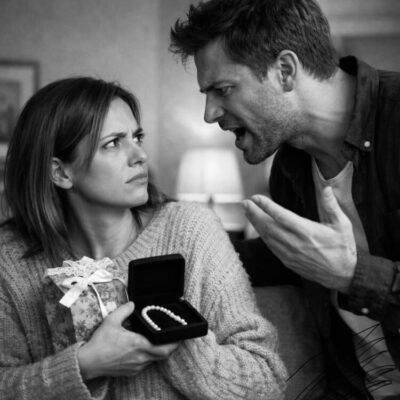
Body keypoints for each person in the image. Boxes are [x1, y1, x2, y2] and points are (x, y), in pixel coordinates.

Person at [0, 77, 287, 400]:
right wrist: (85, 366)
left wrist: (170, 337)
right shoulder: (10, 260)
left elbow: (266, 380)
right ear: (61, 173)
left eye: (137, 137)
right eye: (113, 143)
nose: (140, 156)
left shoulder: (191, 230)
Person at [169, 0, 400, 398]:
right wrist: (175, 250)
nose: (209, 114)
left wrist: (352, 274)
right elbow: (284, 257)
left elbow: (331, 264)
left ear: (286, 71)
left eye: (223, 89)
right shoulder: (290, 168)